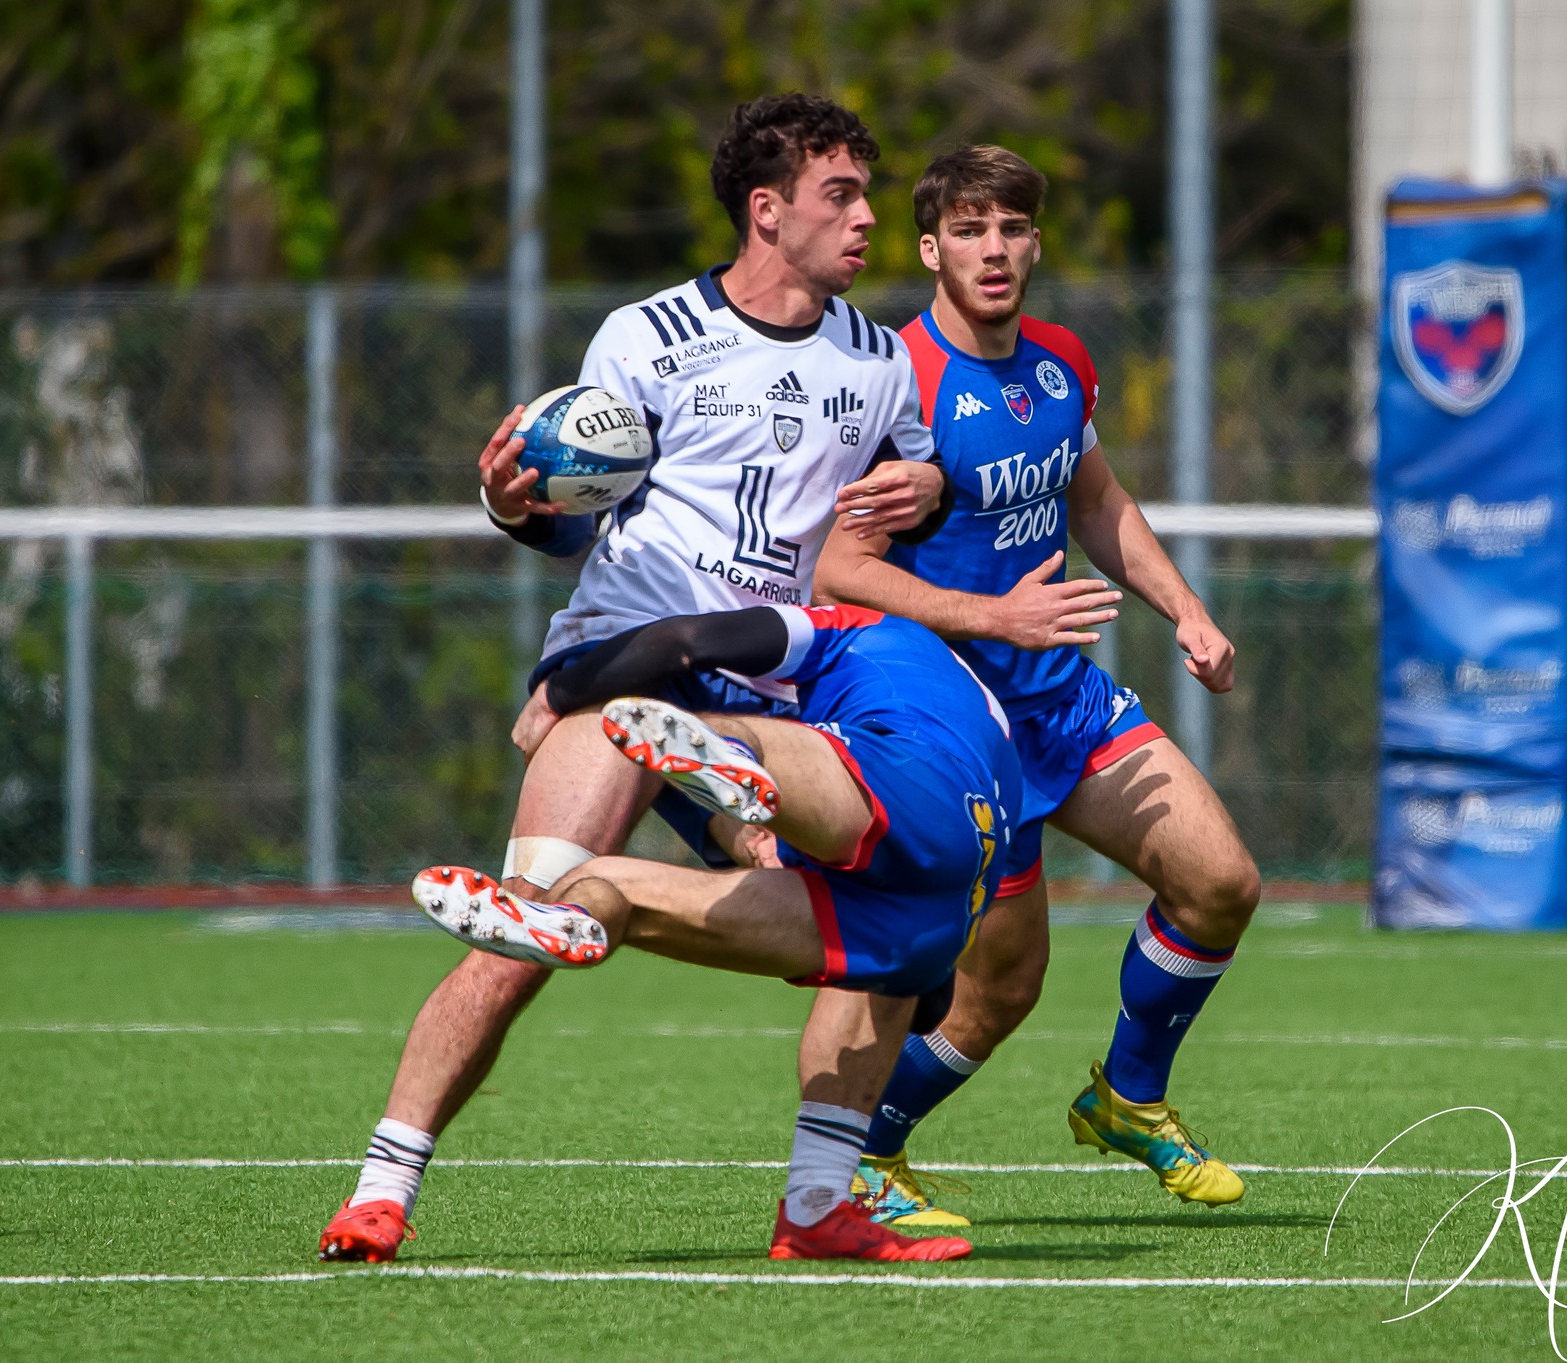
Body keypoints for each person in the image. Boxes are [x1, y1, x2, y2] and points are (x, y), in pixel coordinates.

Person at [318, 93, 951, 1263]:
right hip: (620, 666)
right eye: (840, 195)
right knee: (524, 925)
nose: (867, 217)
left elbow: (885, 533)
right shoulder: (646, 335)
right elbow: (571, 516)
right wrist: (516, 507)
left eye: (866, 192)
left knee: (903, 922)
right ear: (766, 213)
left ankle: (815, 1205)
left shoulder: (878, 364)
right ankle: (380, 1188)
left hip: (769, 688)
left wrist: (928, 494)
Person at [812, 145, 1261, 1224]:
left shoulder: (1060, 363)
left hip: (1061, 697)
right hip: (954, 725)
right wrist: (993, 617)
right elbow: (835, 565)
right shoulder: (894, 381)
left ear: (1034, 241)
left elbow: (1099, 505)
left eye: (1011, 226)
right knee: (997, 992)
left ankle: (1128, 1096)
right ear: (929, 249)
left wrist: (1186, 612)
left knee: (1221, 882)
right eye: (968, 229)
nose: (994, 248)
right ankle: (862, 1152)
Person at [408, 601, 1019, 1261]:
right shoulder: (986, 720)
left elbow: (682, 639)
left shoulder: (864, 630)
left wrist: (558, 691)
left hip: (920, 787)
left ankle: (729, 752)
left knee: (762, 741)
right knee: (640, 898)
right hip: (934, 921)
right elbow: (933, 1003)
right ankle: (815, 1208)